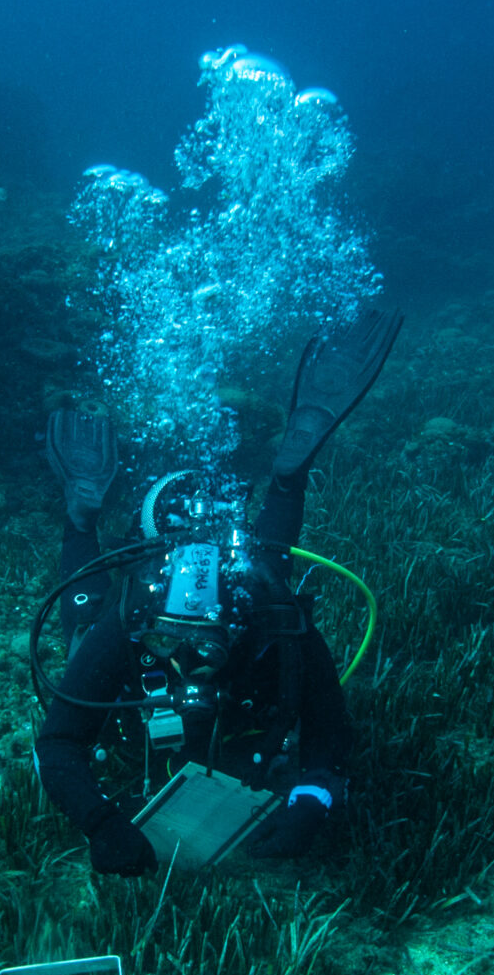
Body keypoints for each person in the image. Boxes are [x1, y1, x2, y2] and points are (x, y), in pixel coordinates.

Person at [33, 310, 399, 875]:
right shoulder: (133, 617)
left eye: (206, 648)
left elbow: (331, 734)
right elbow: (59, 742)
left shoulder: (270, 619)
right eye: (168, 644)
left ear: (237, 628)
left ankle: (287, 477)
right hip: (160, 572)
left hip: (252, 584)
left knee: (267, 563)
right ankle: (82, 517)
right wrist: (101, 822)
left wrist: (311, 803)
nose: (188, 663)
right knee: (82, 625)